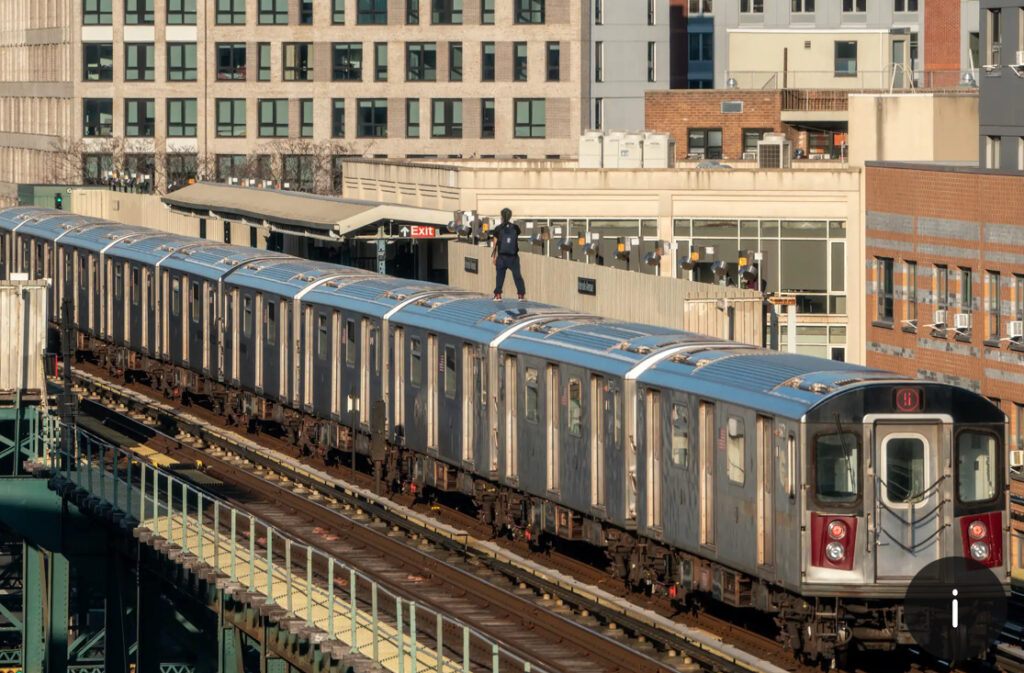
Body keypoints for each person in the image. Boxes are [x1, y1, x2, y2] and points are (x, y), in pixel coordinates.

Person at [491, 207, 526, 300]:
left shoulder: (498, 229)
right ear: (510, 216)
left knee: (500, 276)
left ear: (501, 216)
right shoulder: (515, 228)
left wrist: (494, 257)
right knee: (517, 275)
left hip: (502, 257)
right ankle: (521, 295)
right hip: (513, 257)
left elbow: (495, 243)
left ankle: (498, 295)